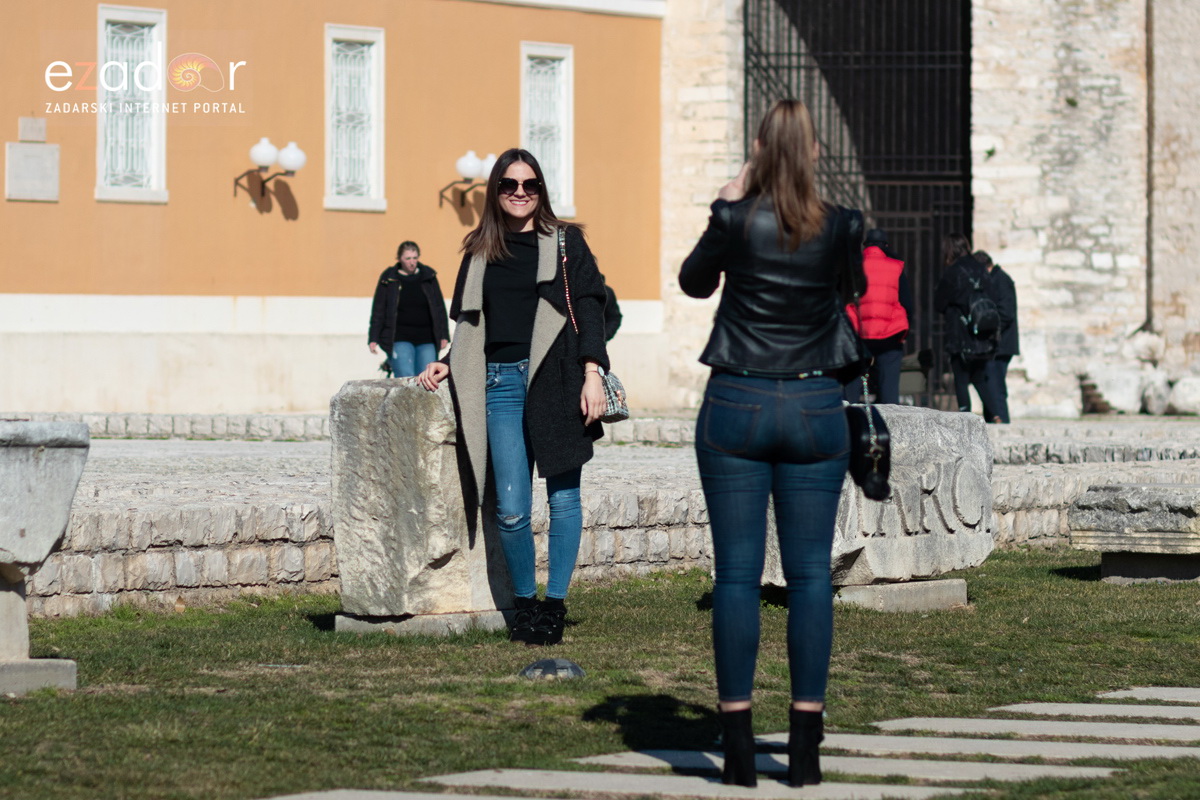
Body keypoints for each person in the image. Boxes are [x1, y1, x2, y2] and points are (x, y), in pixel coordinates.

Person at [679, 98, 865, 789]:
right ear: (814, 151)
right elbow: (855, 289)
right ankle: (806, 750)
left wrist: (724, 203)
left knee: (735, 575)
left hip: (738, 399)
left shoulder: (733, 219)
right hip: (816, 404)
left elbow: (694, 283)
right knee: (811, 574)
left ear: (758, 149)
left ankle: (735, 750)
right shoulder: (842, 224)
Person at [417, 148, 610, 648]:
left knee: (564, 497)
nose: (520, 193)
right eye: (509, 185)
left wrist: (593, 372)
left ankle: (555, 605)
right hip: (499, 385)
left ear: (541, 190)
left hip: (559, 378)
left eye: (530, 185)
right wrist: (449, 360)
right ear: (495, 192)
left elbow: (590, 307)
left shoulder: (565, 242)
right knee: (510, 506)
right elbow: (468, 321)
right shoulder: (479, 250)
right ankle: (524, 604)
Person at [933, 234, 1003, 419]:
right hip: (982, 332)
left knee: (961, 378)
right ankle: (995, 414)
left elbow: (939, 303)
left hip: (960, 333)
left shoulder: (952, 272)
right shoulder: (981, 269)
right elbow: (994, 297)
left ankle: (965, 417)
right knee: (979, 377)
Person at [845, 228, 912, 404]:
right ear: (886, 246)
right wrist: (905, 332)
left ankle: (849, 419)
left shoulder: (853, 266)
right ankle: (890, 425)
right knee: (888, 383)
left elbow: (844, 299)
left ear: (865, 246)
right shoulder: (896, 266)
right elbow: (906, 303)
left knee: (852, 378)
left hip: (859, 332)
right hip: (890, 333)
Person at [368, 241, 450, 377]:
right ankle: (392, 362)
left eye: (415, 258)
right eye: (408, 258)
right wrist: (373, 337)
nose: (412, 262)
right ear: (400, 259)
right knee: (405, 376)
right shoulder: (389, 279)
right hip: (400, 337)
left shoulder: (428, 276)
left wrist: (444, 335)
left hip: (427, 338)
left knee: (427, 377)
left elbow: (439, 307)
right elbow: (379, 309)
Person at [975, 250, 1018, 423]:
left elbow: (1006, 313)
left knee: (996, 387)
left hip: (1001, 344)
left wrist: (988, 326)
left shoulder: (1001, 280)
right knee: (991, 384)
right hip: (996, 343)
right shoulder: (996, 280)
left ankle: (1001, 422)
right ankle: (994, 420)